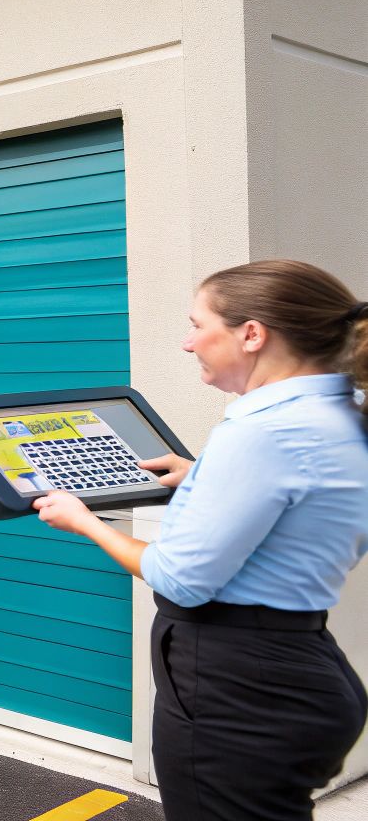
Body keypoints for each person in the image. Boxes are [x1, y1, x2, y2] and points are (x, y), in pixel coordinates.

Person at [34, 259, 368, 821]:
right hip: (302, 673)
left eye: (196, 324)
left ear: (252, 334)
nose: (188, 343)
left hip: (235, 686)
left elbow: (181, 579)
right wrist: (203, 474)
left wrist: (85, 519)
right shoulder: (341, 417)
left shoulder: (263, 433)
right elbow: (306, 497)